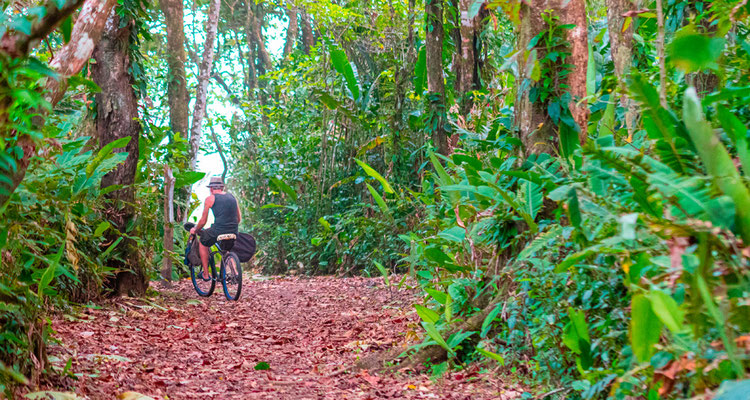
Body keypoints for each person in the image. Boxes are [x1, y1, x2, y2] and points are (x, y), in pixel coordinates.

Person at [190, 176, 242, 279]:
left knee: (203, 242)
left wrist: (196, 230)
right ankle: (235, 273)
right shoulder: (232, 197)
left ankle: (205, 274)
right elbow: (239, 219)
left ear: (211, 188)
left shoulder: (210, 199)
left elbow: (203, 221)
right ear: (222, 188)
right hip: (233, 231)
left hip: (218, 230)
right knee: (226, 250)